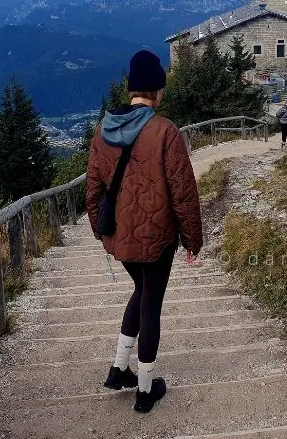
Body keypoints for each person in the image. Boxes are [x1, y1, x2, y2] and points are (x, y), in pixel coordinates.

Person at [86, 50, 203, 414]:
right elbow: (183, 191)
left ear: (131, 88)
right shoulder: (165, 131)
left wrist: (103, 236)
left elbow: (92, 191)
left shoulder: (102, 131)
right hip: (157, 240)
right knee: (151, 303)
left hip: (121, 239)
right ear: (157, 91)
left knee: (141, 291)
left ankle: (119, 369)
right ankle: (145, 390)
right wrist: (192, 240)